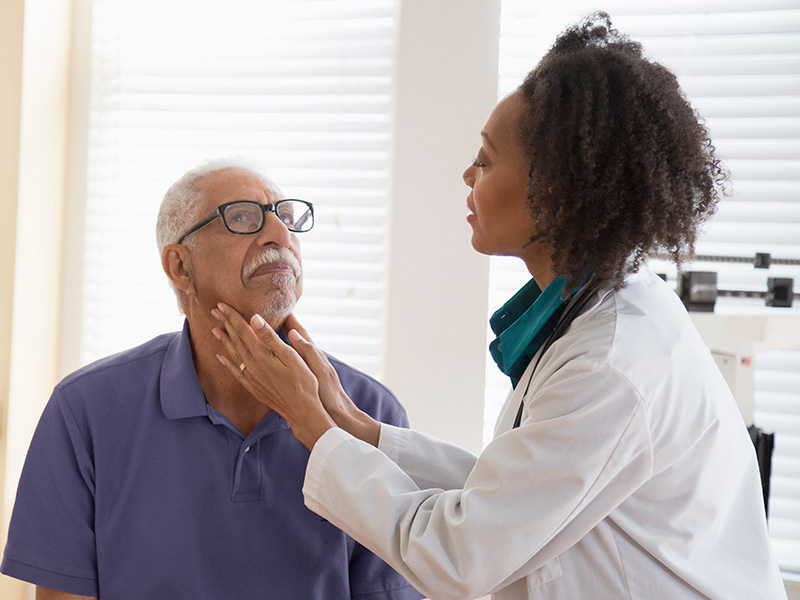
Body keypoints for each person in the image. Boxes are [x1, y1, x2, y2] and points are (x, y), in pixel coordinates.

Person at [209, 13, 787, 600]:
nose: (466, 173)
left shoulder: (610, 364)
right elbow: (509, 497)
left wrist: (306, 416)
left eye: (485, 160)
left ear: (556, 188)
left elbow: (462, 556)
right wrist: (353, 424)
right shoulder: (593, 313)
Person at [0, 158, 424, 600]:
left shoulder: (370, 413)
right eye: (242, 217)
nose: (280, 234)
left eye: (286, 218)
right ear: (180, 267)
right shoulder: (84, 410)